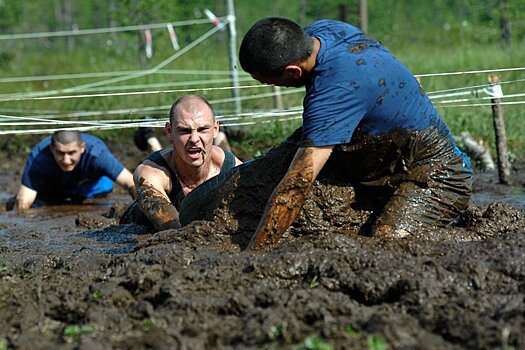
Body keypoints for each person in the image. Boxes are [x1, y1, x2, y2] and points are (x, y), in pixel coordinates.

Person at [239, 18, 473, 250]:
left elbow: (297, 184)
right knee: (265, 168)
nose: (270, 87)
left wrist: (255, 253)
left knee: (387, 243)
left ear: (292, 71)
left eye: (269, 82)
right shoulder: (324, 31)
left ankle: (474, 238)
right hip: (375, 153)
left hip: (438, 174)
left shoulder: (333, 92)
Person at [121, 95, 242, 231]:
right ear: (169, 132)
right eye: (184, 131)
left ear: (215, 129)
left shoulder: (232, 168)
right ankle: (149, 137)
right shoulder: (150, 174)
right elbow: (173, 231)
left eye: (203, 129)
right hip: (135, 229)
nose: (194, 139)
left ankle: (220, 137)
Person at [11, 130, 135, 211]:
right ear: (51, 148)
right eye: (60, 153)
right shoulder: (39, 157)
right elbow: (24, 199)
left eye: (71, 153)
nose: (66, 160)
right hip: (53, 186)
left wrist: (140, 210)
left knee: (105, 187)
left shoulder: (98, 154)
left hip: (89, 185)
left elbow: (130, 182)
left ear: (82, 148)